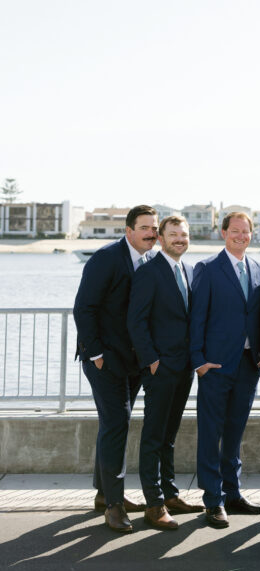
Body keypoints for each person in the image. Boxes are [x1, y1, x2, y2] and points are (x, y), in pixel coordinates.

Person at [73, 204, 158, 533]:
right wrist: (95, 353)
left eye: (154, 228)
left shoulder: (151, 261)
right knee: (117, 423)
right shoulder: (106, 258)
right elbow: (84, 307)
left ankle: (103, 493)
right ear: (129, 231)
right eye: (144, 228)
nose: (151, 233)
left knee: (113, 424)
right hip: (104, 359)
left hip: (133, 360)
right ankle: (114, 505)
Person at [190, 211, 260, 529]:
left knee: (234, 433)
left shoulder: (259, 268)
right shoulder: (207, 268)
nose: (240, 236)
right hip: (215, 366)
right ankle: (213, 500)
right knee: (211, 434)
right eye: (235, 231)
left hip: (249, 365)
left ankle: (232, 493)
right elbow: (197, 317)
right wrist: (198, 361)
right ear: (223, 233)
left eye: (245, 231)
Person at [127, 215, 201, 530]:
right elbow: (136, 321)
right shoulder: (149, 272)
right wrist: (152, 360)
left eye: (183, 235)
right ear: (161, 238)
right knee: (154, 435)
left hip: (185, 367)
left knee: (169, 435)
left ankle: (170, 494)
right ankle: (154, 504)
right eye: (173, 235)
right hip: (161, 367)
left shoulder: (189, 270)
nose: (179, 239)